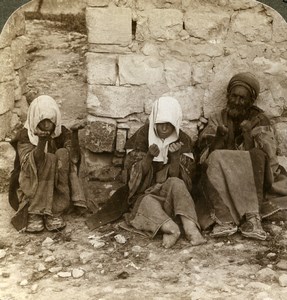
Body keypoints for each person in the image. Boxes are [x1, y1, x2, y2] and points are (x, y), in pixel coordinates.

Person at [193, 72, 287, 241]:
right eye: (233, 96)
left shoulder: (259, 120)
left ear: (250, 101)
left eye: (242, 98)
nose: (237, 101)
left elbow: (267, 160)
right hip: (222, 178)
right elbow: (204, 158)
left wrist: (247, 136)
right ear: (228, 96)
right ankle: (224, 220)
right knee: (214, 159)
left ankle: (252, 219)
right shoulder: (217, 118)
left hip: (250, 180)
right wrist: (220, 138)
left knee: (257, 155)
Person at [123, 96, 206, 248]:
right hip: (146, 196)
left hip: (171, 201)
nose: (165, 128)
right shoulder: (141, 137)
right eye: (161, 123)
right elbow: (132, 181)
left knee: (177, 183)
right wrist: (148, 158)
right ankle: (171, 229)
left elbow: (185, 185)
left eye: (170, 124)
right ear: (154, 120)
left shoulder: (183, 140)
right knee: (147, 202)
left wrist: (175, 158)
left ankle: (190, 228)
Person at [9, 95, 87, 233]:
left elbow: (74, 158)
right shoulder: (25, 135)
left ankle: (55, 210)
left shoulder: (61, 132)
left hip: (56, 187)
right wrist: (41, 142)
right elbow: (29, 165)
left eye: (49, 121)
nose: (46, 125)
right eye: (42, 121)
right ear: (34, 119)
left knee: (62, 154)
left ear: (55, 120)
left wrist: (74, 134)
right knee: (49, 159)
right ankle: (36, 212)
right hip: (31, 185)